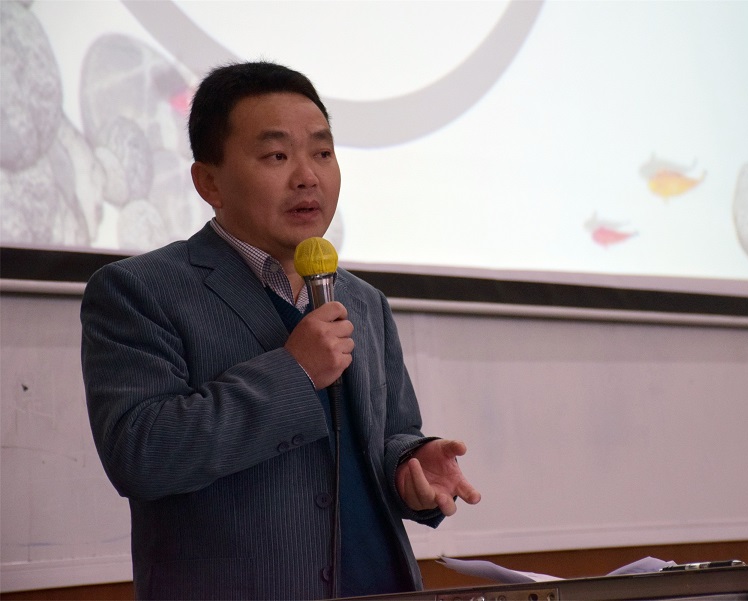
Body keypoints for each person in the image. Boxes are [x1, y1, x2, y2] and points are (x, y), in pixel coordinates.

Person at [80, 61, 481, 600]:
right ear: (209, 182)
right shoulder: (139, 291)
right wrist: (294, 372)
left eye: (322, 153)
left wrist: (409, 465)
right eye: (276, 156)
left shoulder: (363, 300)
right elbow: (141, 454)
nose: (308, 176)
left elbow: (387, 437)